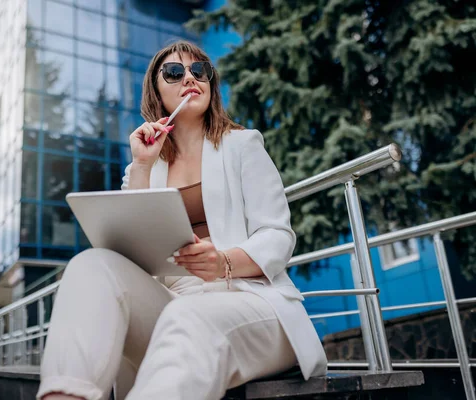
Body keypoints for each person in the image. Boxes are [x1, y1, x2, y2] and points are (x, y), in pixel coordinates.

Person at [37, 40, 327, 400]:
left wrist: (223, 262)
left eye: (199, 70)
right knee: (91, 265)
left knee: (190, 316)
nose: (190, 77)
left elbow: (277, 236)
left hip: (252, 302)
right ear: (156, 92)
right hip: (172, 306)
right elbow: (128, 255)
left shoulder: (243, 145)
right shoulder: (143, 165)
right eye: (174, 72)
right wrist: (142, 165)